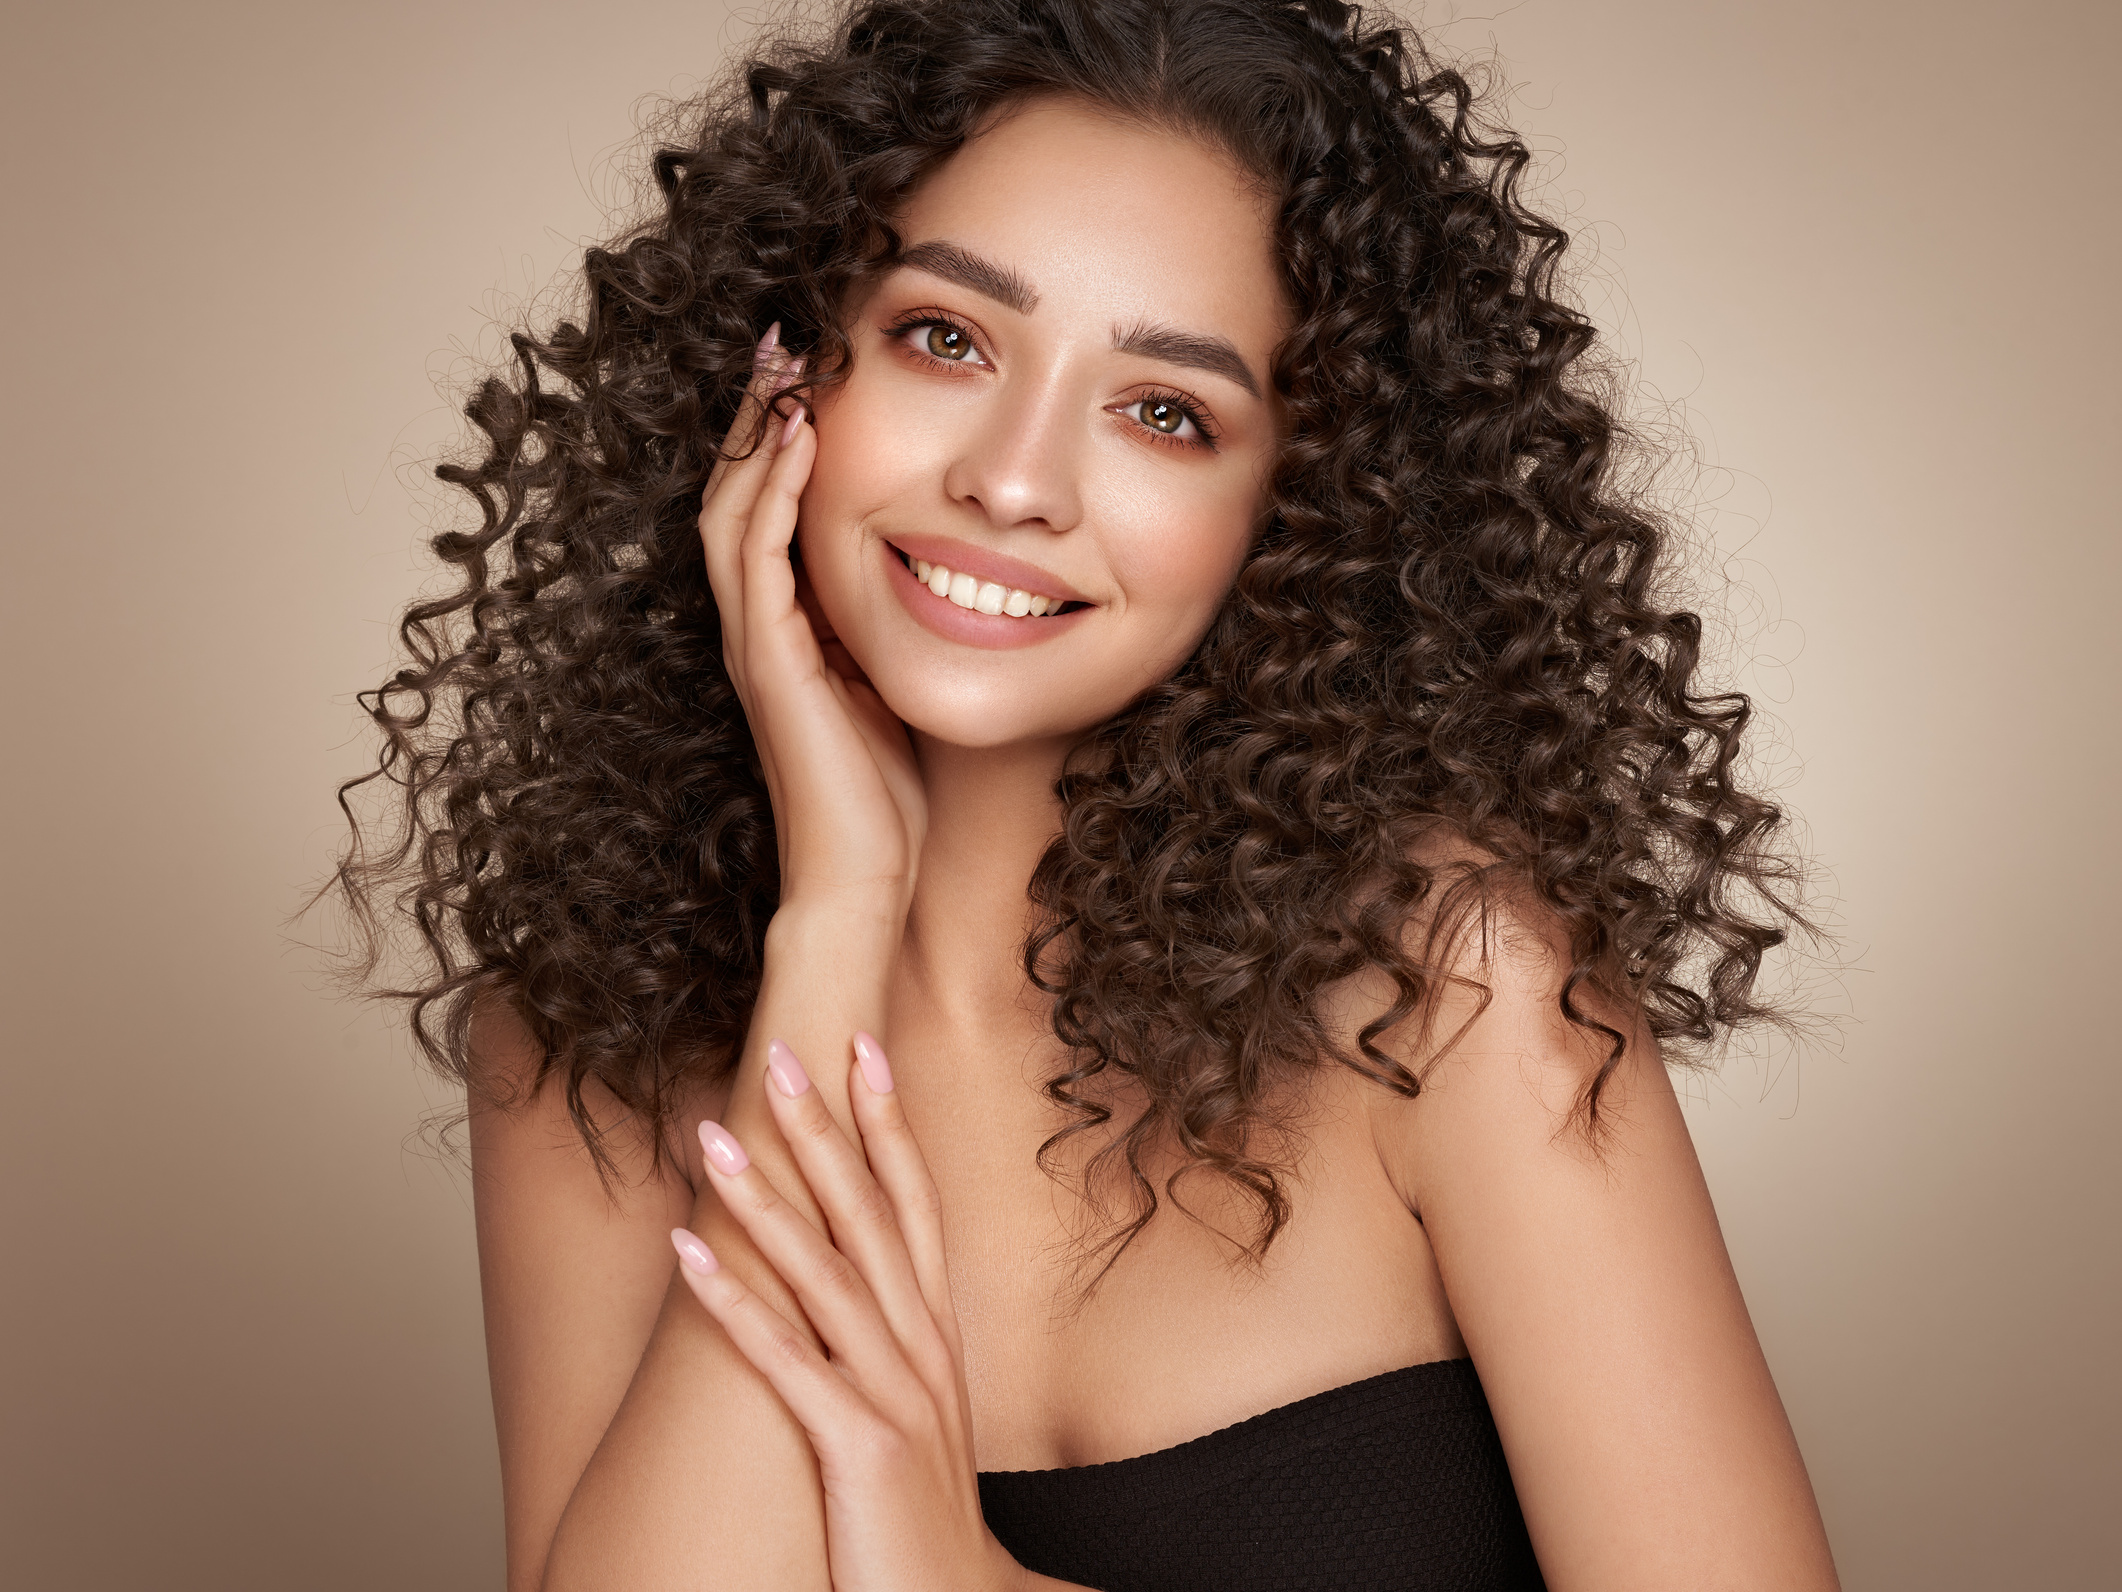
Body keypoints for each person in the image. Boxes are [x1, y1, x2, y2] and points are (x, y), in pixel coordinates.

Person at [336, 1, 1841, 1586]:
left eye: (1164, 411)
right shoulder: (586, 1040)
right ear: (781, 377)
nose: (1015, 479)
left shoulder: (1454, 986)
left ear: (1300, 511)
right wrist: (834, 917)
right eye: (945, 337)